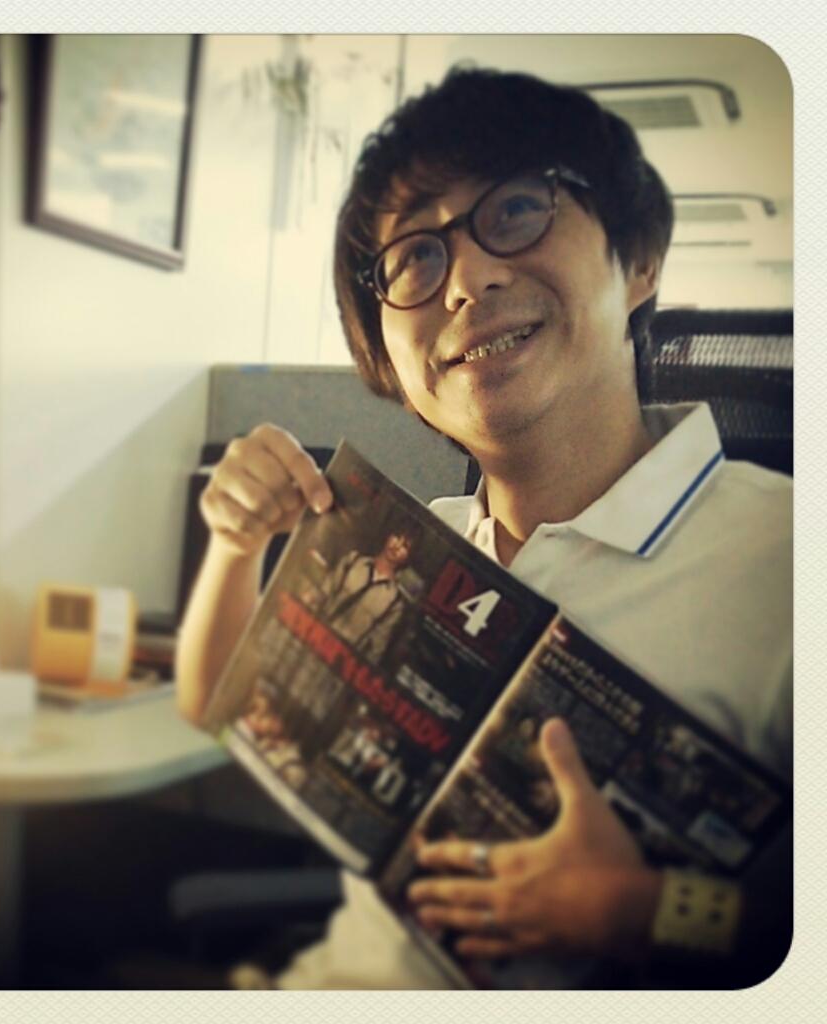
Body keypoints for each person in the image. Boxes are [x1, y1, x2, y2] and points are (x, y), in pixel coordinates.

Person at [175, 68, 792, 988]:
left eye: (517, 211)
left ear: (639, 260)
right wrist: (235, 546)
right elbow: (222, 704)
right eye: (414, 259)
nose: (466, 279)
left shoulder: (788, 563)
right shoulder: (411, 548)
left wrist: (649, 914)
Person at [316, 527, 420, 661]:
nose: (396, 546)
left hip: (341, 658)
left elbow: (376, 648)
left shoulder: (394, 601)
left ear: (408, 557)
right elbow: (322, 592)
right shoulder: (353, 561)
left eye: (405, 546)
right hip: (316, 633)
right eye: (396, 537)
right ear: (388, 536)